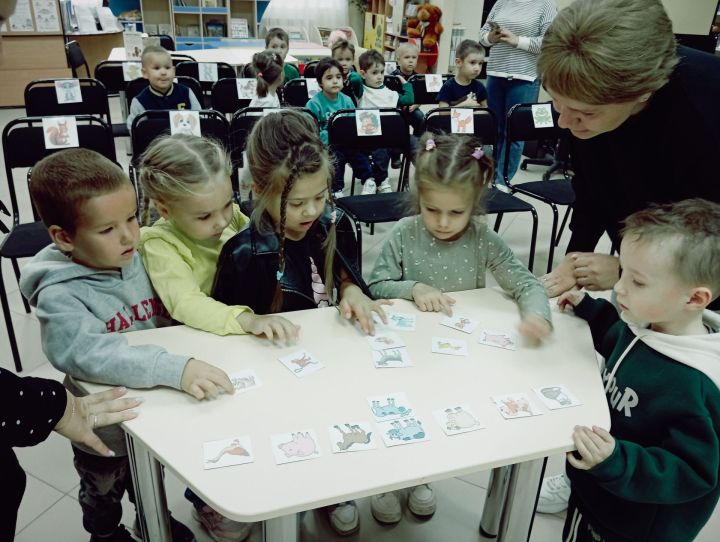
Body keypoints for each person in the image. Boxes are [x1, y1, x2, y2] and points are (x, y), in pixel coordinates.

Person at [18, 148, 234, 542]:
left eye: (133, 218)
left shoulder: (138, 253)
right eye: (107, 229)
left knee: (149, 476)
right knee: (104, 489)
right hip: (103, 427)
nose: (130, 235)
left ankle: (152, 515)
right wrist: (173, 369)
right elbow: (87, 353)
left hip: (154, 412)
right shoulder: (59, 295)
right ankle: (104, 532)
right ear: (64, 237)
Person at [212, 109, 389, 536]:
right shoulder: (244, 253)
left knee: (332, 423)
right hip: (272, 377)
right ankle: (255, 491)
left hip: (330, 365)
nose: (312, 210)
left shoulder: (335, 226)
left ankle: (333, 489)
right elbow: (222, 331)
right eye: (296, 203)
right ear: (259, 190)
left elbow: (348, 276)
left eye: (321, 196)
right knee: (282, 441)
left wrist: (350, 289)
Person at [366, 132, 551, 525]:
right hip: (406, 353)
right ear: (419, 198)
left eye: (456, 213)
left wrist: (537, 315)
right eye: (432, 210)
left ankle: (420, 475)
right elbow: (376, 285)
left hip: (456, 355)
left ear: (475, 205)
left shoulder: (482, 237)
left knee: (438, 415)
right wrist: (413, 287)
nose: (443, 223)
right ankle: (384, 481)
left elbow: (527, 283)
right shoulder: (405, 232)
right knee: (398, 410)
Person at [555, 198, 720, 542]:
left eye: (638, 282)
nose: (619, 288)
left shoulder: (695, 383)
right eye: (622, 273)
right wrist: (590, 310)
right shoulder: (652, 320)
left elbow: (693, 472)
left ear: (694, 299)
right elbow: (620, 339)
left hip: (638, 524)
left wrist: (617, 460)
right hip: (601, 487)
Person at [537, 0, 720, 304]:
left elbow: (708, 244)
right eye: (557, 101)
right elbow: (591, 188)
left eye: (586, 113)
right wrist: (574, 262)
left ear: (642, 93)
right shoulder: (587, 104)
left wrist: (629, 270)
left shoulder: (705, 115)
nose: (564, 122)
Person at [2, 372, 139, 541]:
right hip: (97, 432)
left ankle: (148, 518)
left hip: (142, 419)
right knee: (100, 494)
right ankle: (105, 535)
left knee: (144, 480)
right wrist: (56, 405)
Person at [478, 0, 557, 191]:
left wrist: (517, 40)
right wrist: (492, 37)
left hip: (525, 76)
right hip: (496, 73)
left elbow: (549, 43)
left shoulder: (545, 5)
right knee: (494, 130)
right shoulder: (501, 2)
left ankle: (502, 180)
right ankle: (492, 176)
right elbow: (481, 38)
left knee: (513, 133)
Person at [305, 57, 376, 199]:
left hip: (347, 142)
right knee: (337, 157)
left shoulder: (347, 100)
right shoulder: (313, 104)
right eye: (329, 78)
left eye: (338, 77)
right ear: (320, 83)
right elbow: (312, 132)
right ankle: (336, 189)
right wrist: (332, 134)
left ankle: (369, 180)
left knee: (358, 154)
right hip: (328, 145)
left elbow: (354, 122)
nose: (335, 81)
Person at [356, 49, 415, 195]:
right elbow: (353, 79)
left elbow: (409, 100)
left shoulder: (389, 92)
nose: (380, 77)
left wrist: (405, 84)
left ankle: (381, 179)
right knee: (378, 149)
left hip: (390, 136)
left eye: (382, 72)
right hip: (369, 135)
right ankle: (380, 180)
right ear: (363, 74)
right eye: (374, 73)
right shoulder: (360, 90)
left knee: (411, 143)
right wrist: (357, 73)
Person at [126, 45, 202, 131]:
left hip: (186, 141)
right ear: (145, 73)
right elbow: (135, 131)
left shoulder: (187, 92)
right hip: (155, 143)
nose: (163, 72)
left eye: (167, 68)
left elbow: (201, 120)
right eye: (157, 68)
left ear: (173, 71)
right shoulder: (139, 102)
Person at [389, 42, 426, 168]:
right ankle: (395, 154)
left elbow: (422, 97)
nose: (410, 61)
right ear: (398, 60)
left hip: (412, 109)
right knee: (396, 125)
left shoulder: (417, 77)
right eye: (406, 57)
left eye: (413, 58)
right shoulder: (392, 77)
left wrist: (416, 105)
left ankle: (415, 144)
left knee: (421, 118)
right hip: (396, 110)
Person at [437, 39, 488, 109]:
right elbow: (442, 113)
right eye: (472, 62)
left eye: (480, 63)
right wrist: (464, 105)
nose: (477, 68)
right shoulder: (448, 87)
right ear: (458, 62)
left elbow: (486, 111)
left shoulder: (480, 87)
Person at [331, 38, 364, 105]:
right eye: (340, 59)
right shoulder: (328, 77)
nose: (344, 63)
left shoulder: (355, 79)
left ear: (353, 60)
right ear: (332, 59)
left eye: (348, 59)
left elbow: (360, 99)